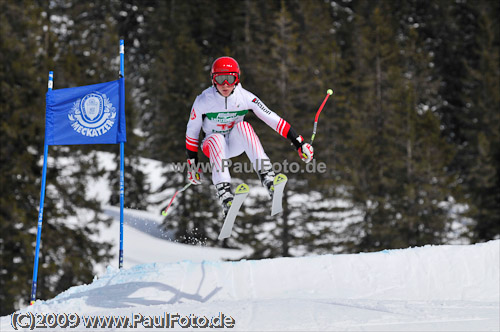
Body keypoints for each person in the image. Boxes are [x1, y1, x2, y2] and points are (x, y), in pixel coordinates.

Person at [185, 56, 314, 217]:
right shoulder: (203, 101)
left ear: (237, 79)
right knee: (217, 138)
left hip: (234, 142)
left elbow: (273, 119)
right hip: (211, 144)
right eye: (221, 78)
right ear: (213, 80)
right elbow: (192, 132)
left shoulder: (245, 97)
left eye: (230, 79)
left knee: (244, 126)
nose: (225, 84)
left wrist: (299, 143)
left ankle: (268, 177)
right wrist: (192, 164)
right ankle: (225, 193)